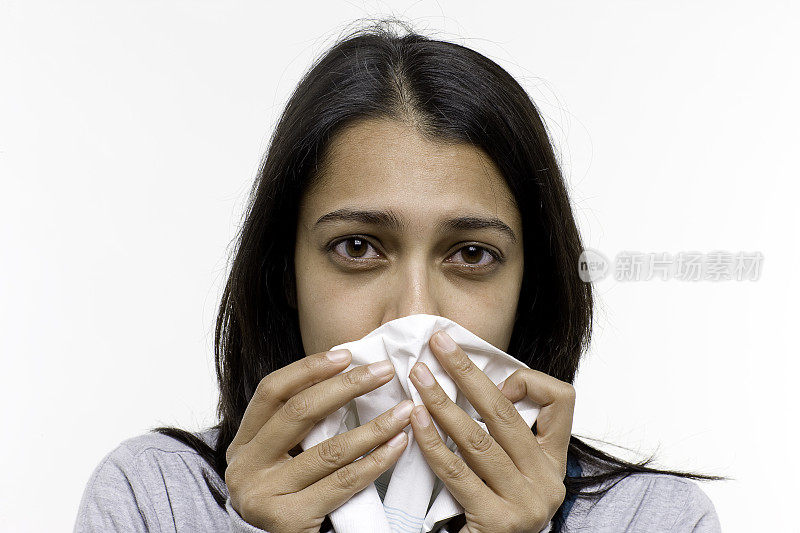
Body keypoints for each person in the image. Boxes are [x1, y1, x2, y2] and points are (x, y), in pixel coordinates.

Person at [73, 19, 726, 533]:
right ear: (284, 273)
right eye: (358, 246)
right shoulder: (154, 497)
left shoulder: (653, 519)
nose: (411, 313)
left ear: (533, 286)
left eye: (470, 255)